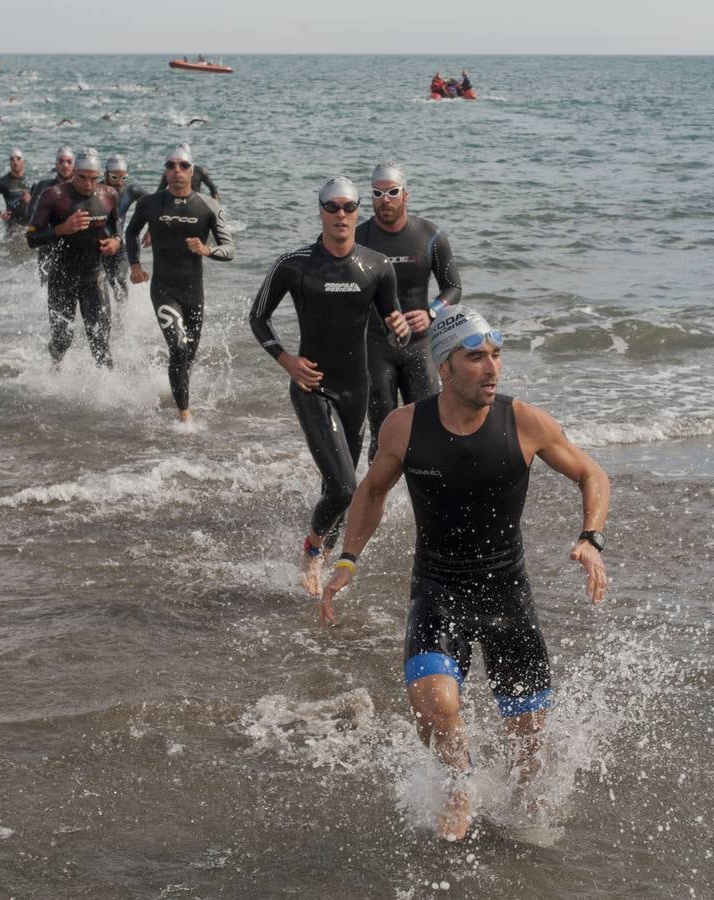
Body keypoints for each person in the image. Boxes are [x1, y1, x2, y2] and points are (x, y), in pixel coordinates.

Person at [320, 305, 611, 842]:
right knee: (433, 702)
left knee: (528, 747)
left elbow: (591, 473)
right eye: (474, 357)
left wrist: (590, 538)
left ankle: (526, 820)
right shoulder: (406, 428)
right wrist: (346, 560)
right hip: (438, 588)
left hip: (507, 594)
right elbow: (372, 492)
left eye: (495, 356)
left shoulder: (524, 422)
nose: (491, 368)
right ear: (443, 369)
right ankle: (460, 782)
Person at [249, 177, 410, 593]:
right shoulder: (295, 264)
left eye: (349, 207)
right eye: (332, 207)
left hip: (357, 389)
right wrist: (286, 360)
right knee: (344, 487)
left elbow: (395, 326)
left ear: (359, 211)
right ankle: (312, 550)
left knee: (339, 490)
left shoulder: (377, 266)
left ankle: (324, 573)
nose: (341, 215)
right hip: (312, 387)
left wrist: (400, 328)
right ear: (320, 211)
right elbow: (258, 317)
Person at [355, 162, 463, 461]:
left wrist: (430, 312)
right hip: (376, 345)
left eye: (392, 191)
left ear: (406, 194)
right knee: (381, 428)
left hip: (420, 346)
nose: (384, 199)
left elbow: (453, 287)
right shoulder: (359, 238)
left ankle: (426, 498)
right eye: (377, 192)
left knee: (427, 425)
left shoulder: (430, 236)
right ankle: (379, 501)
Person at [125, 144, 235, 422]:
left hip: (193, 292)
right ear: (165, 171)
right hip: (163, 288)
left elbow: (230, 249)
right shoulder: (149, 203)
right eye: (171, 165)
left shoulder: (209, 206)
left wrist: (207, 250)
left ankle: (174, 389)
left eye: (183, 166)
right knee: (179, 347)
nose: (176, 171)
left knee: (188, 356)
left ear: (192, 171)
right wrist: (135, 265)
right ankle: (184, 415)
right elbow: (130, 232)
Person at [25, 148, 122, 369]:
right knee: (62, 340)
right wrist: (61, 229)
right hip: (62, 277)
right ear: (74, 173)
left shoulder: (109, 195)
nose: (88, 184)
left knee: (100, 342)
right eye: (82, 177)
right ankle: (55, 367)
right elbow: (31, 239)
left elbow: (117, 229)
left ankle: (107, 394)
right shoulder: (53, 196)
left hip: (94, 276)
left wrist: (116, 241)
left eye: (93, 178)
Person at [28, 147, 76, 282]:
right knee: (47, 284)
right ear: (56, 165)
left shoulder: (81, 187)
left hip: (75, 244)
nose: (65, 165)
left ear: (75, 165)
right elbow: (30, 213)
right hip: (48, 241)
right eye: (61, 161)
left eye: (69, 161)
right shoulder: (43, 186)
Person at [101, 154, 138, 306]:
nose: (119, 182)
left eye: (123, 178)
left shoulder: (131, 191)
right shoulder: (95, 191)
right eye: (114, 177)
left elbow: (152, 205)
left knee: (120, 280)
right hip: (98, 246)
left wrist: (150, 230)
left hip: (119, 244)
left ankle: (122, 319)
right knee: (98, 283)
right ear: (105, 174)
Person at [0, 148, 33, 234]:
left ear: (23, 161)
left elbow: (41, 203)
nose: (15, 162)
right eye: (12, 159)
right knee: (10, 246)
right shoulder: (3, 181)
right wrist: (0, 214)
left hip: (29, 224)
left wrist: (31, 200)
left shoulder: (31, 181)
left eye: (18, 159)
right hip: (12, 225)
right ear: (9, 162)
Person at [153, 144, 219, 199]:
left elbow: (212, 187)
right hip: (176, 200)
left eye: (184, 165)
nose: (177, 169)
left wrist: (215, 202)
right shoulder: (170, 172)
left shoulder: (200, 171)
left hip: (195, 201)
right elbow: (160, 190)